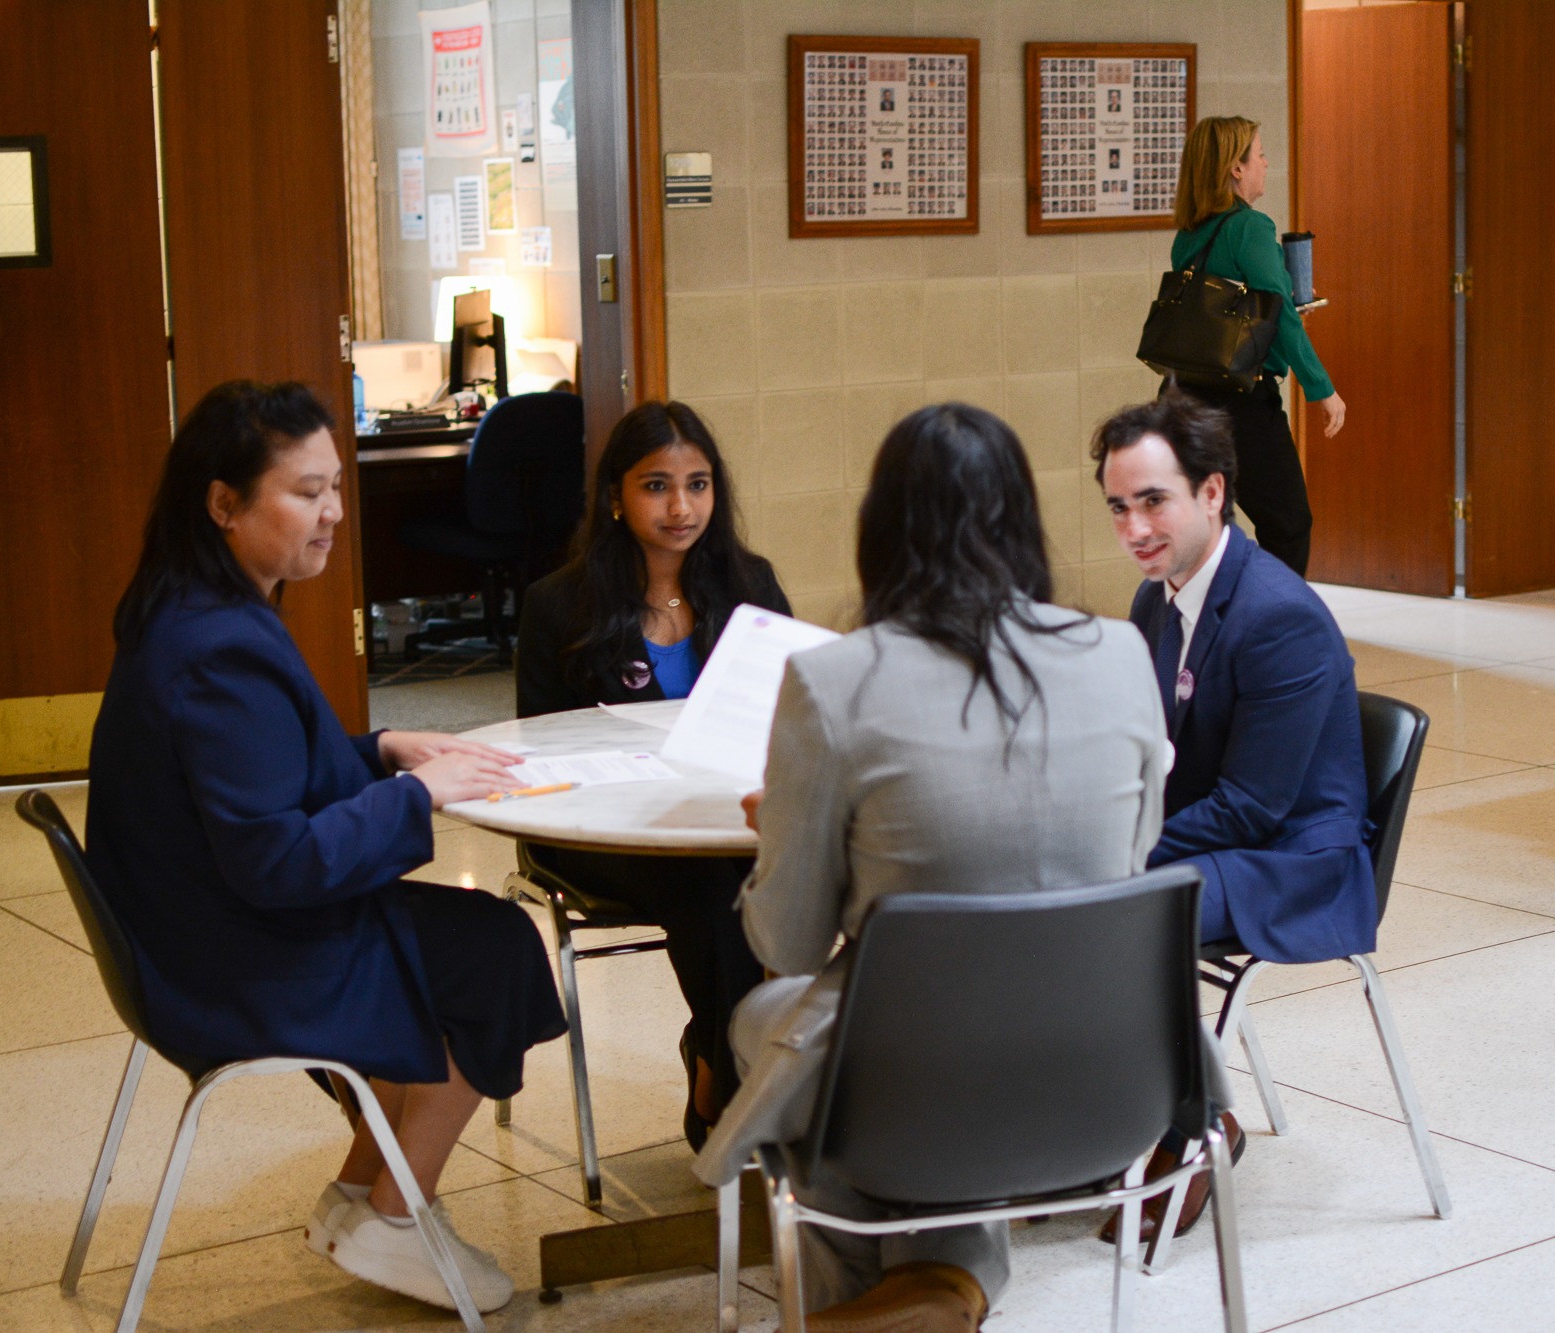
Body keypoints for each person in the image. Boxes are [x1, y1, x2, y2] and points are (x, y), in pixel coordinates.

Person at [692, 404, 1177, 1332]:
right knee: (863, 1085)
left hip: (913, 1091)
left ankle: (931, 1291)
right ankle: (937, 1287)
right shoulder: (1122, 652)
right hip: (1116, 1075)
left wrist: (787, 836)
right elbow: (1133, 855)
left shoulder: (836, 683)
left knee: (774, 1031)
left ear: (880, 529)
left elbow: (790, 943)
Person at [86, 380, 566, 1315]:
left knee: (470, 941)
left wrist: (382, 749)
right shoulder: (221, 644)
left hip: (193, 927)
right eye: (306, 492)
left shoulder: (190, 607)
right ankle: (394, 1211)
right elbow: (278, 860)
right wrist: (417, 793)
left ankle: (362, 1195)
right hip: (228, 958)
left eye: (336, 487)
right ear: (223, 504)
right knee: (496, 953)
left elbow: (258, 775)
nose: (335, 513)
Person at [1094, 391, 1377, 1242]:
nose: (1135, 527)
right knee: (1069, 892)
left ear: (1213, 494)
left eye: (1154, 501)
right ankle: (1100, 1124)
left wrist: (1121, 850)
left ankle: (1195, 1122)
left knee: (1125, 903)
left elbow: (1255, 805)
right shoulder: (1157, 600)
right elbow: (1149, 752)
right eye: (1118, 507)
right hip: (1222, 832)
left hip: (1296, 857)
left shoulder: (1277, 614)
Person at [515, 399, 789, 1149]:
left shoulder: (749, 585)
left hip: (725, 819)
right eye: (657, 485)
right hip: (604, 829)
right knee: (720, 889)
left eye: (698, 484)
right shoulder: (558, 605)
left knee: (787, 873)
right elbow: (540, 752)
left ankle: (725, 1071)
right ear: (615, 494)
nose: (682, 506)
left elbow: (793, 716)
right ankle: (737, 1096)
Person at [1168, 114, 1347, 575]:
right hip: (1240, 403)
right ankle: (1273, 630)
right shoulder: (1249, 227)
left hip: (1182, 399)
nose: (1267, 163)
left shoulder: (1190, 233)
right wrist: (1321, 388)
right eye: (1260, 155)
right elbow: (1279, 312)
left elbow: (1229, 310)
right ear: (1236, 169)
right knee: (1288, 522)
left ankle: (1217, 628)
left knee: (1210, 532)